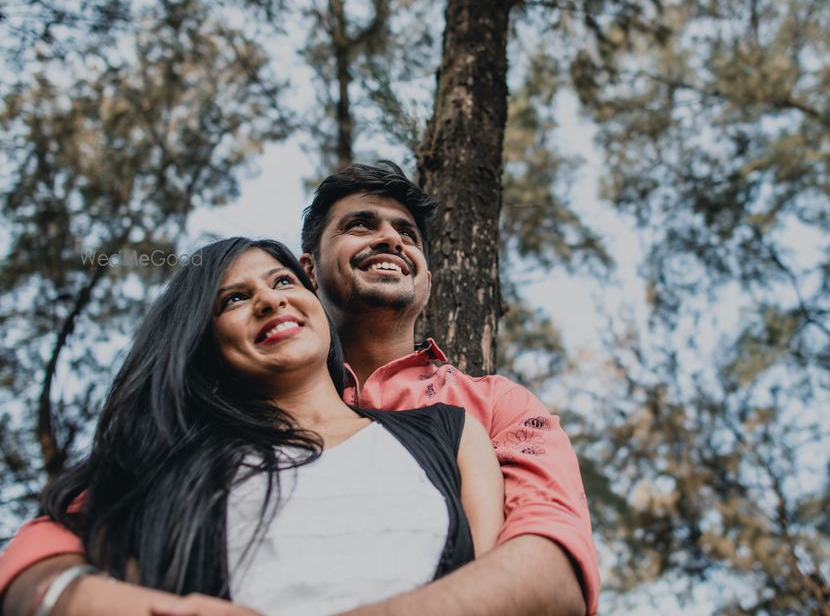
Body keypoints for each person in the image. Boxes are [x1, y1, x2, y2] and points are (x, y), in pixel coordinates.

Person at [0, 161, 599, 615]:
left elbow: (550, 565)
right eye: (361, 225)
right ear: (309, 272)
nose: (391, 239)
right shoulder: (212, 419)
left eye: (407, 234)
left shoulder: (489, 407)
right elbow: (48, 548)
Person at [7, 236, 504, 616]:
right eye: (234, 299)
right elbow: (27, 571)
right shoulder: (168, 462)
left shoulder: (451, 434)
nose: (270, 300)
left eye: (283, 281)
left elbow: (497, 590)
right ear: (203, 344)